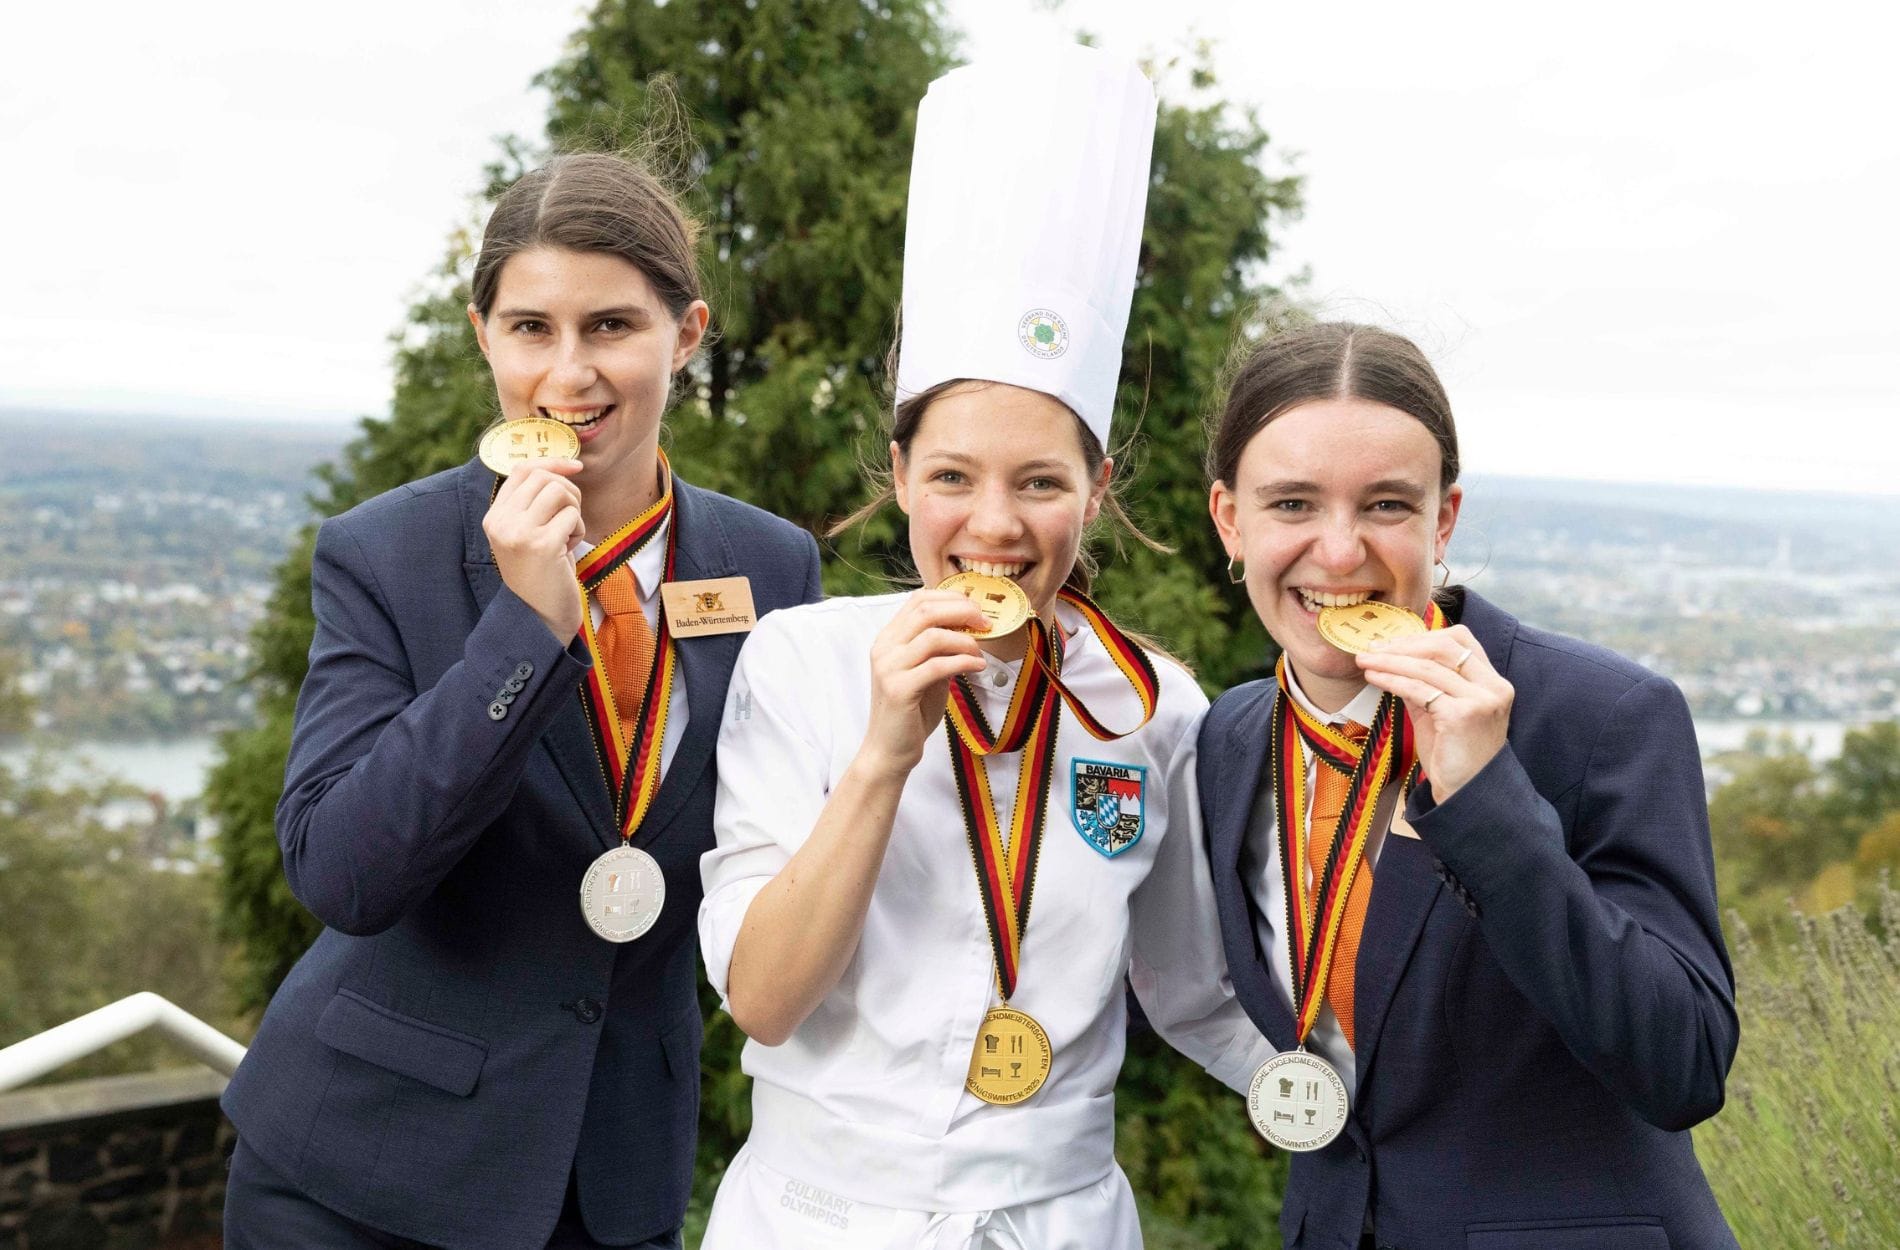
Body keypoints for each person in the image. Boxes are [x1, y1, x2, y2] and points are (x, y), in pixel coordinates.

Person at [696, 46, 1274, 1249]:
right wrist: (881, 755)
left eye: (1041, 481)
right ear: (899, 473)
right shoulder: (797, 665)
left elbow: (1195, 988)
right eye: (953, 475)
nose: (995, 525)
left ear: (1099, 489)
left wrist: (1373, 1091)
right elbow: (762, 994)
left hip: (1056, 1220)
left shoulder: (1151, 705)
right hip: (816, 1218)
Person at [219, 151, 824, 1250]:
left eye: (611, 326)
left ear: (685, 334)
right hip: (359, 1179)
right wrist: (527, 627)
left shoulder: (769, 566)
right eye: (531, 328)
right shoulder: (385, 552)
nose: (569, 374)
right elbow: (342, 871)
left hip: (610, 1176)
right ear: (482, 333)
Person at [1197, 321, 1740, 1249]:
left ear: (1441, 521)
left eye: (1385, 506)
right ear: (1229, 521)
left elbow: (1681, 1065)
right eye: (1292, 504)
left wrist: (1487, 799)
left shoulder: (1599, 716)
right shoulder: (1232, 737)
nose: (1338, 552)